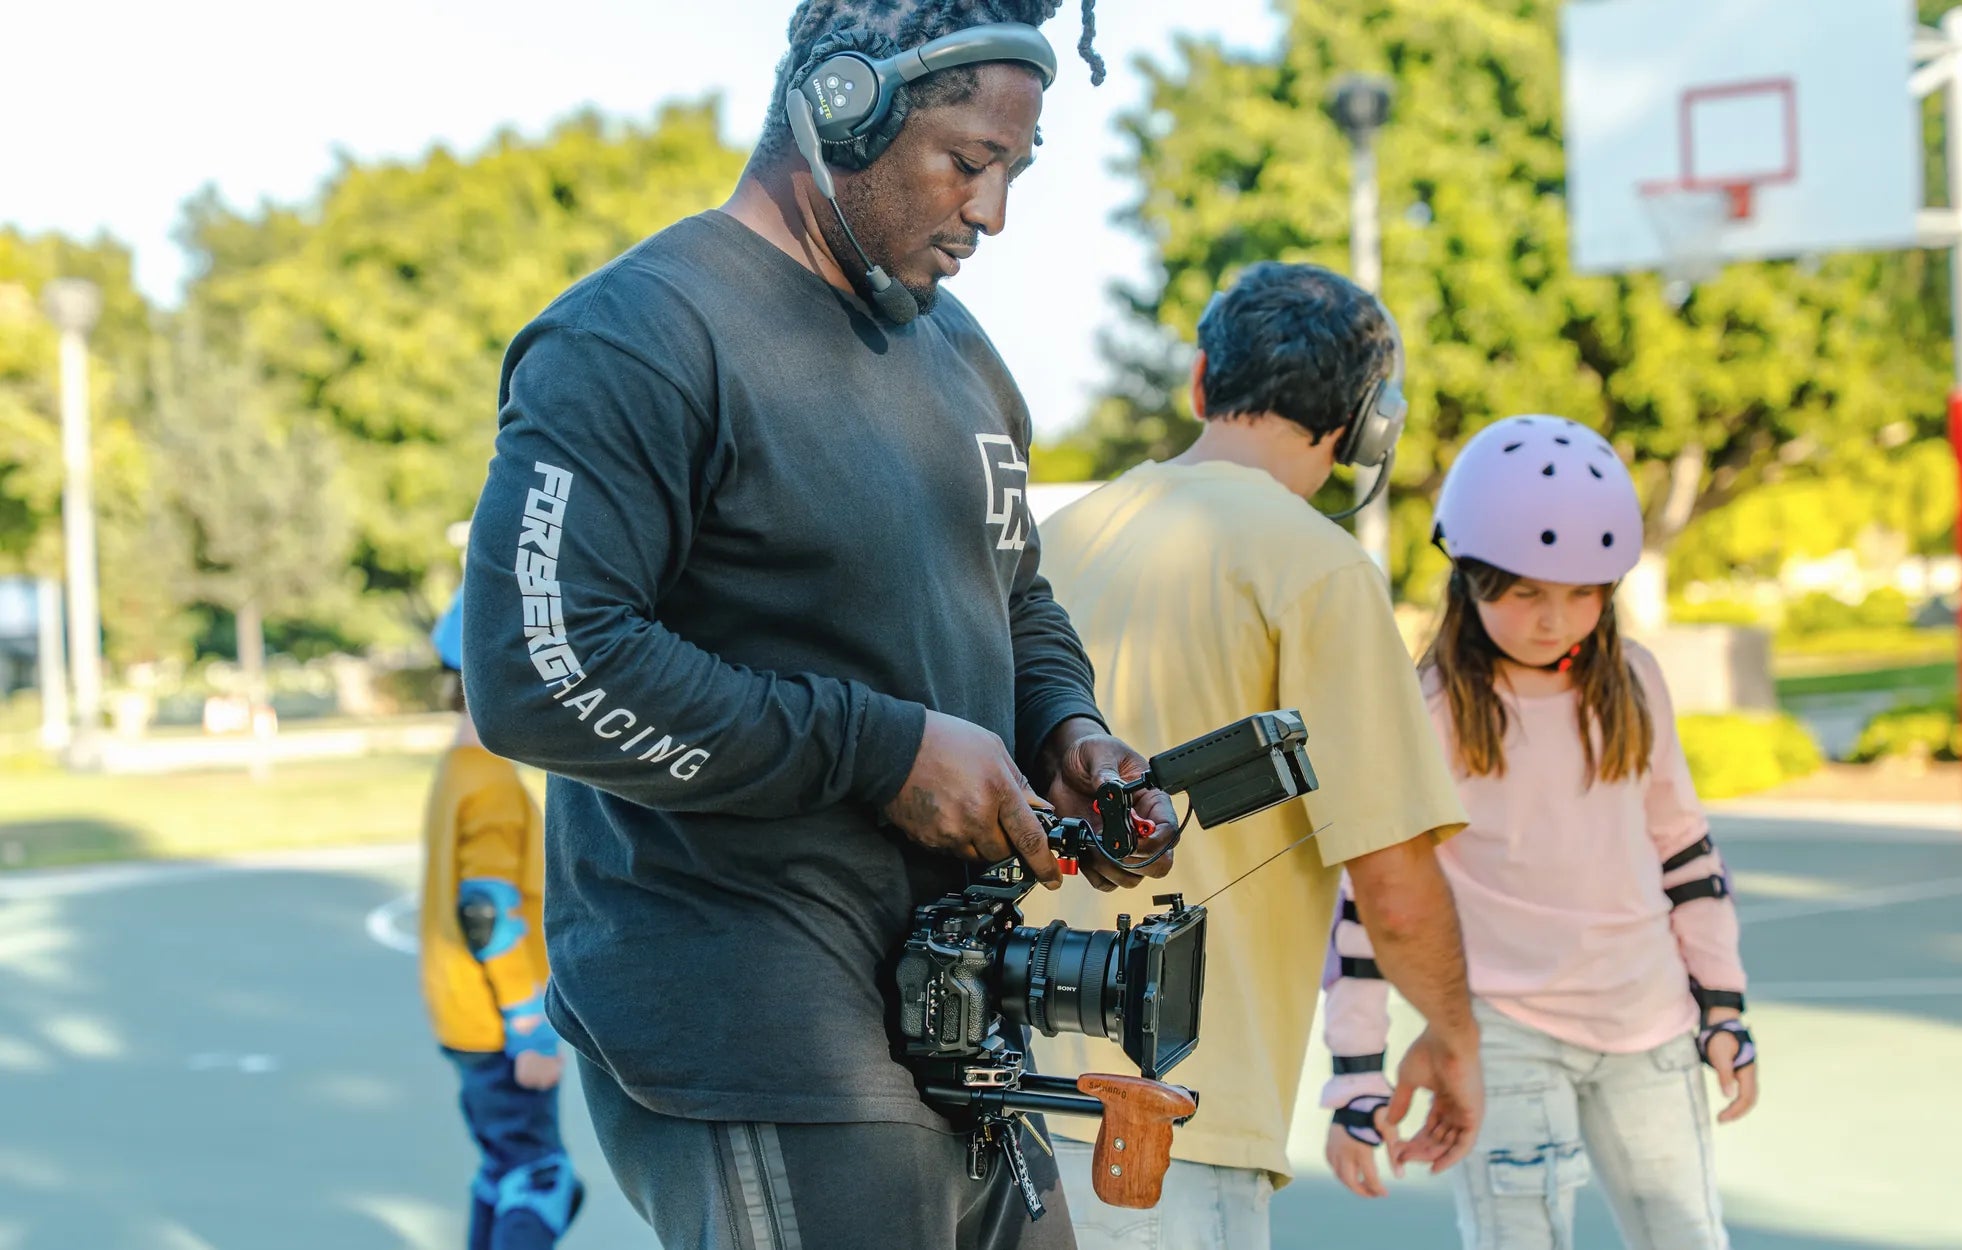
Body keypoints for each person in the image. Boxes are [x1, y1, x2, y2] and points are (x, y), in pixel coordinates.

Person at [459, 4, 1182, 1248]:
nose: (992, 213)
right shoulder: (637, 336)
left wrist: (1064, 728)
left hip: (963, 1013)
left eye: (1016, 169)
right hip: (759, 1020)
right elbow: (537, 665)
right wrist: (883, 750)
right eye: (968, 162)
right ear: (841, 106)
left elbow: (1014, 594)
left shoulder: (962, 355)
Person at [1026, 261, 1484, 1250]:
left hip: (996, 1104)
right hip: (1164, 1125)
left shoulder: (1051, 541)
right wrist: (1455, 1040)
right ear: (1368, 426)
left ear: (1201, 381)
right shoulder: (1318, 569)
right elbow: (1395, 888)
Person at [1323, 415, 1760, 1249]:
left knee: (1686, 1236)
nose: (1555, 619)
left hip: (1650, 1024)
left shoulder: (1634, 681)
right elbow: (1371, 906)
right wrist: (1355, 1078)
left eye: (1583, 593)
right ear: (1471, 580)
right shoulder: (1431, 709)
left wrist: (1723, 1009)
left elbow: (1686, 853)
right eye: (1526, 593)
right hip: (1503, 1036)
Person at [418, 588, 584, 1249]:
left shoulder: (458, 769)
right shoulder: (492, 782)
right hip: (498, 1021)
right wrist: (527, 1026)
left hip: (459, 1014)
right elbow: (485, 910)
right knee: (542, 1177)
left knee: (502, 1167)